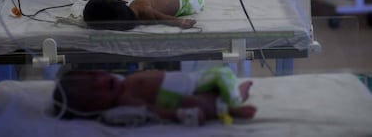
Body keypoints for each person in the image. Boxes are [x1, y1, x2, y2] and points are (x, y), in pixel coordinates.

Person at [52, 66, 257, 126]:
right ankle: (234, 102)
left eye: (92, 73)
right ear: (91, 109)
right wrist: (176, 114)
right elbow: (150, 111)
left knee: (213, 87)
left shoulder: (122, 87)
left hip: (186, 84)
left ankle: (230, 100)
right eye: (93, 90)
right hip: (178, 95)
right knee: (223, 74)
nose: (99, 80)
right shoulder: (123, 103)